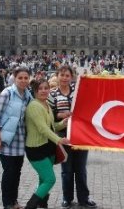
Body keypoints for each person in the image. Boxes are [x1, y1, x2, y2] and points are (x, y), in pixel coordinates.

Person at [48, 66, 96, 208]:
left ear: (72, 77)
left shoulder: (78, 90)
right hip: (63, 136)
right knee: (67, 170)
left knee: (81, 170)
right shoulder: (53, 94)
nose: (64, 78)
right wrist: (60, 115)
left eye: (67, 75)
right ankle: (67, 199)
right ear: (57, 76)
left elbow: (89, 104)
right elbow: (50, 115)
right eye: (62, 75)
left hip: (81, 134)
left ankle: (84, 199)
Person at [24, 78, 70, 209]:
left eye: (46, 88)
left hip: (48, 148)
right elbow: (42, 129)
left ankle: (43, 204)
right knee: (50, 179)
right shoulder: (34, 106)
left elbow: (51, 126)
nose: (44, 91)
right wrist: (59, 140)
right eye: (40, 89)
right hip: (36, 149)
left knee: (43, 179)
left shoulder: (47, 105)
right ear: (35, 91)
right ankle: (30, 206)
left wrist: (63, 123)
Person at [0, 67, 32, 209]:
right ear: (14, 78)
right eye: (20, 78)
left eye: (26, 78)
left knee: (17, 172)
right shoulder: (6, 93)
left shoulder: (28, 95)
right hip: (6, 140)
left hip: (20, 140)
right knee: (9, 173)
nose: (23, 80)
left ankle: (14, 201)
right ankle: (7, 203)